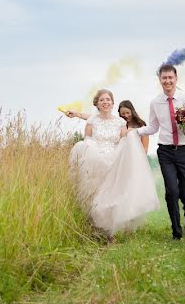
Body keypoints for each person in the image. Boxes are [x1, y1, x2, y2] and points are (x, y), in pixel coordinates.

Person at [68, 89, 159, 240]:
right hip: (95, 162)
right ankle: (98, 229)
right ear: (97, 103)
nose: (105, 102)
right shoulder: (92, 121)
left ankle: (113, 230)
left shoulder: (120, 122)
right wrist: (76, 114)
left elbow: (123, 141)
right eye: (102, 100)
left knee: (112, 195)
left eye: (108, 100)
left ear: (112, 103)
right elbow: (88, 141)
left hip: (114, 160)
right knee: (96, 195)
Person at [135, 65, 185, 240]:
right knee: (171, 191)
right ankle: (176, 230)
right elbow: (153, 127)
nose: (168, 81)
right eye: (164, 78)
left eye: (170, 77)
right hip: (166, 152)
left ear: (176, 78)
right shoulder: (155, 102)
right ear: (160, 80)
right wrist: (135, 132)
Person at [66, 99, 150, 153]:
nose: (126, 115)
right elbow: (94, 118)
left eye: (128, 113)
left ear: (132, 112)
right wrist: (76, 114)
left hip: (137, 157)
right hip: (121, 158)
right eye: (123, 114)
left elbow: (145, 148)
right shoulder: (119, 124)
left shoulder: (141, 126)